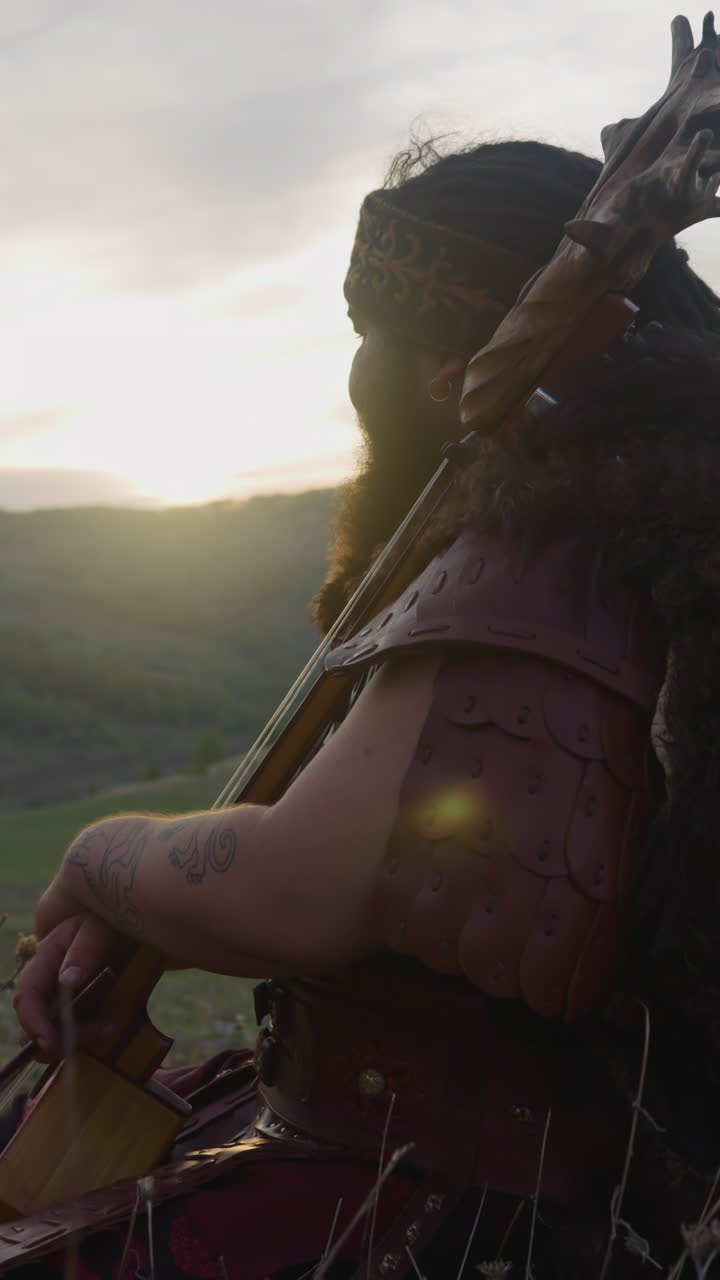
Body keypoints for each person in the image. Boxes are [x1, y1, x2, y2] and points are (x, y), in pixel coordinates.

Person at [8, 137, 720, 1278]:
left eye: (369, 336)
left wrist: (102, 858)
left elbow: (299, 890)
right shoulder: (635, 548)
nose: (359, 377)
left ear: (447, 368)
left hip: (440, 1201)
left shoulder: (538, 571)